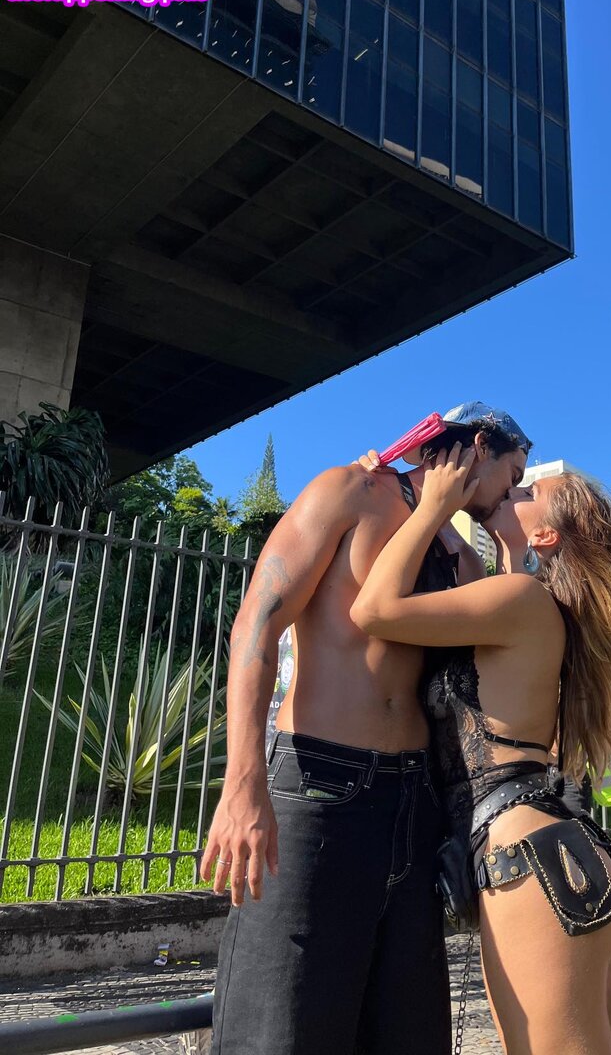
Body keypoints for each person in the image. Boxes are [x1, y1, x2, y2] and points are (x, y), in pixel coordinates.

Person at [201, 403, 532, 1055]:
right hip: (319, 784)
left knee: (405, 1032)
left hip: (414, 804)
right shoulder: (349, 490)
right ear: (481, 446)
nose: (512, 493)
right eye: (514, 475)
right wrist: (242, 783)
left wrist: (509, 547)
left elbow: (507, 647)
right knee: (283, 1026)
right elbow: (256, 625)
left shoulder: (456, 551)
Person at [350, 447, 611, 1055]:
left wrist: (430, 507)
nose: (512, 488)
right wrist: (395, 484)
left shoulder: (524, 600)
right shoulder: (527, 599)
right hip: (544, 847)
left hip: (526, 856)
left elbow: (374, 610)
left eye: (528, 491)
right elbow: (466, 568)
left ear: (545, 534)